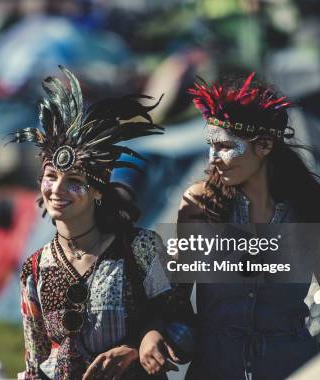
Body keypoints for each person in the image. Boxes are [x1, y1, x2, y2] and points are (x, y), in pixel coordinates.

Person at [156, 72, 320, 380]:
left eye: (225, 147)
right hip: (215, 369)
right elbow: (174, 295)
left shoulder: (312, 212)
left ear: (265, 146)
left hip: (295, 368)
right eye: (210, 146)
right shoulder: (199, 207)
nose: (212, 159)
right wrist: (151, 334)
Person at [13, 66, 192, 379]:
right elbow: (34, 365)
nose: (57, 190)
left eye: (73, 181)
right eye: (51, 177)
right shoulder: (36, 268)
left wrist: (140, 346)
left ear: (97, 191)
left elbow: (183, 324)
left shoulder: (140, 249)